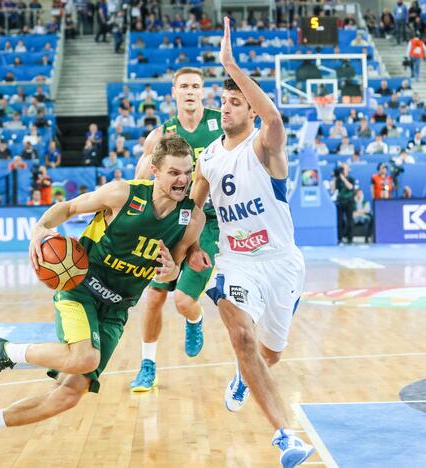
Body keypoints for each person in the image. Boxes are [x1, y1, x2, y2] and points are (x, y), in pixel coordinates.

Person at [0, 135, 206, 466]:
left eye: (187, 172)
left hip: (117, 308)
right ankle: (2, 351)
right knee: (84, 358)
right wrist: (40, 228)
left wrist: (169, 271)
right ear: (155, 170)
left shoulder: (191, 220)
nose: (182, 180)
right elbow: (67, 208)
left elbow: (172, 271)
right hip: (81, 286)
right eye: (174, 173)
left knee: (69, 395)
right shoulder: (122, 193)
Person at [189, 18, 315, 466]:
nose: (225, 108)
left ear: (251, 109)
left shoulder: (266, 147)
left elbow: (276, 117)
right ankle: (286, 437)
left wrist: (232, 65)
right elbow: (194, 209)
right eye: (223, 101)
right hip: (236, 263)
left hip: (281, 262)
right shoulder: (208, 156)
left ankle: (244, 378)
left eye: (235, 102)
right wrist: (189, 247)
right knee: (243, 336)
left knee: (270, 353)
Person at [130, 66, 223, 392]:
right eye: (183, 86)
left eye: (195, 86)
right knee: (154, 296)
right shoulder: (161, 135)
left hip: (209, 222)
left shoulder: (221, 123)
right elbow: (139, 183)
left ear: (203, 91)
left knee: (183, 301)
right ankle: (147, 365)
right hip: (171, 222)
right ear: (174, 92)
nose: (189, 91)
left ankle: (195, 320)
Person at [331, 164, 356, 244]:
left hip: (349, 202)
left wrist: (343, 178)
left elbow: (350, 187)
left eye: (344, 169)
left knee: (350, 221)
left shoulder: (351, 179)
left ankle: (350, 238)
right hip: (340, 202)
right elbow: (333, 189)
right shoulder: (338, 180)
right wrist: (335, 178)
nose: (343, 171)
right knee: (340, 221)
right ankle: (340, 238)